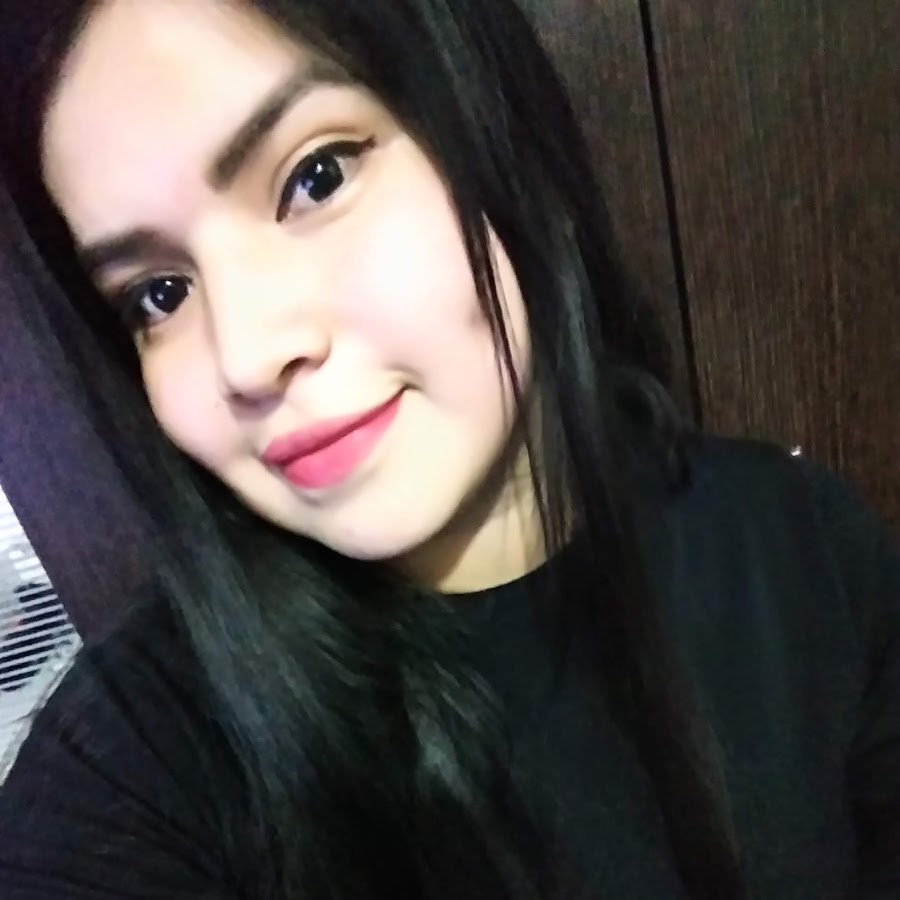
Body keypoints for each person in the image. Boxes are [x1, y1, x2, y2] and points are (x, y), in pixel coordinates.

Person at [0, 1, 896, 898]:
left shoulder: (806, 546)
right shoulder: (139, 756)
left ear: (494, 130)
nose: (245, 356)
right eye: (158, 294)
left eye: (316, 177)